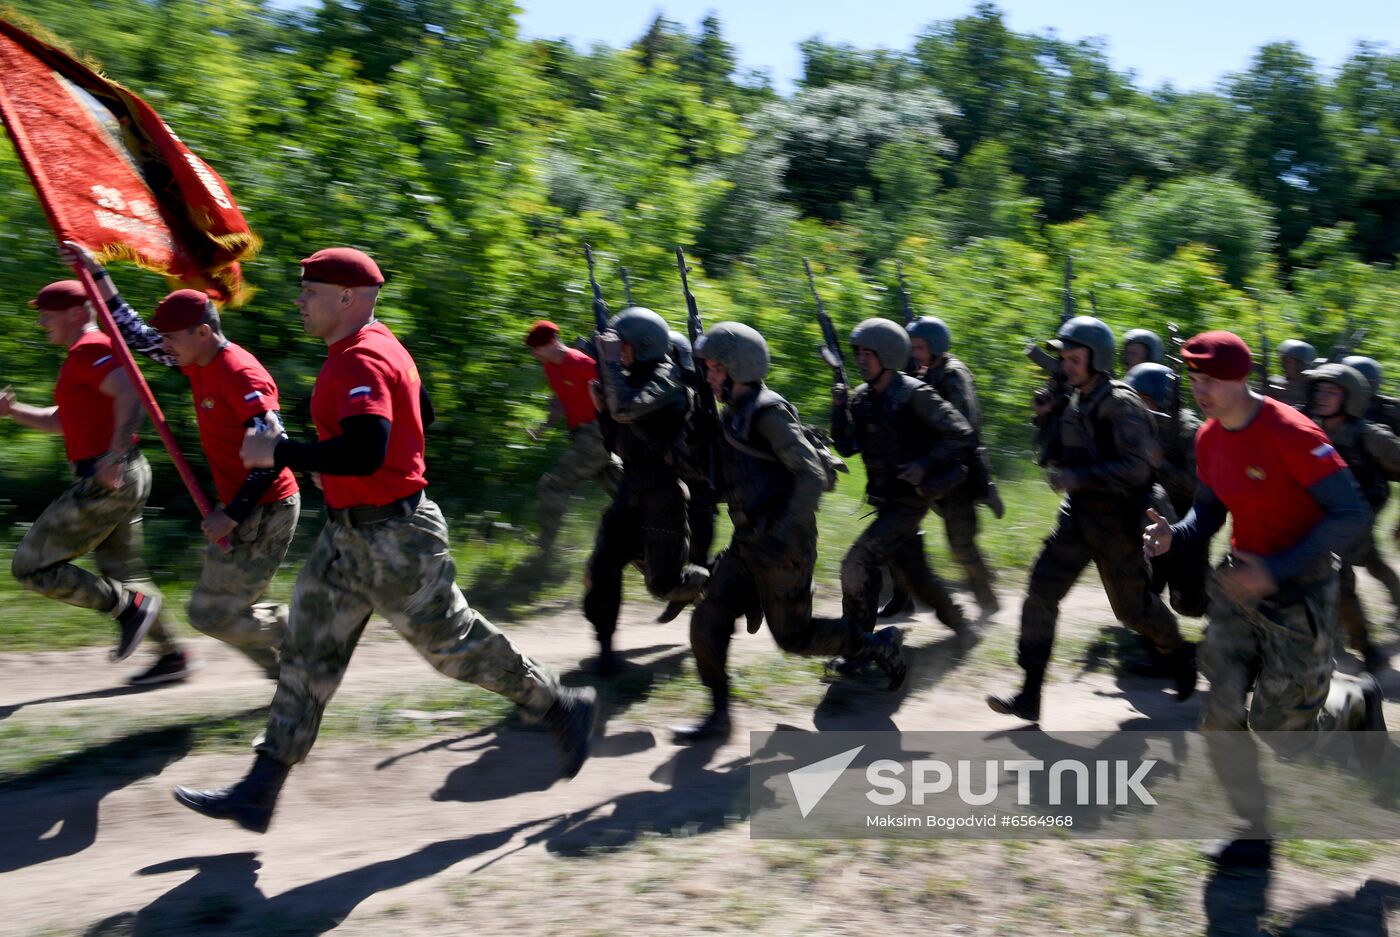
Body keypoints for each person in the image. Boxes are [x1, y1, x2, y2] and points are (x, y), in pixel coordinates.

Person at [173, 248, 596, 833]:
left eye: (311, 290)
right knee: (306, 652)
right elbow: (419, 411)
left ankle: (560, 705)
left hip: (396, 538)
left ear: (347, 298)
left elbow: (368, 446)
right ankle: (259, 789)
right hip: (348, 534)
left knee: (453, 649)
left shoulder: (360, 359)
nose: (299, 299)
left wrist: (285, 454)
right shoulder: (372, 344)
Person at [1144, 330, 1387, 868]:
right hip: (1237, 587)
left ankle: (1354, 702)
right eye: (1194, 379)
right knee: (1221, 714)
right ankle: (1253, 828)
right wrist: (1173, 536)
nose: (1200, 390)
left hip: (1301, 591)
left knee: (1285, 734)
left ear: (1241, 378)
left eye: (1210, 380)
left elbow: (1351, 514)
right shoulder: (1209, 438)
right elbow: (1208, 512)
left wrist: (1275, 570)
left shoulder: (1291, 432)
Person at [67, 243, 299, 679]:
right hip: (237, 507)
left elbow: (274, 452)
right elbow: (133, 333)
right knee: (212, 612)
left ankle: (300, 642)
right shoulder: (196, 359)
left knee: (217, 613)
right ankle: (289, 672)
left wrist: (231, 514)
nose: (165, 346)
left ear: (202, 332)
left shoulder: (240, 374)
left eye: (172, 337)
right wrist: (95, 274)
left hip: (268, 508)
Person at [672, 322, 906, 743]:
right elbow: (713, 476)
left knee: (795, 638)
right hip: (748, 542)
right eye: (706, 368)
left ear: (739, 368)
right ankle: (719, 714)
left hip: (784, 544)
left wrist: (782, 533)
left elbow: (811, 473)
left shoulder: (768, 413)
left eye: (714, 368)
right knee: (709, 617)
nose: (708, 376)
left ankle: (875, 643)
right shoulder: (733, 414)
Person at [987, 316, 1195, 722]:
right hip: (1077, 517)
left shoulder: (1121, 402)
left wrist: (1077, 477)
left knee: (1132, 612)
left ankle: (1180, 655)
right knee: (1041, 593)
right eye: (1064, 357)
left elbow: (1137, 468)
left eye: (1074, 357)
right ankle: (1029, 694)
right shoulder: (1075, 399)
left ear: (1096, 358)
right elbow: (1053, 457)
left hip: (1118, 523)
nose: (1066, 364)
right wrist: (1046, 417)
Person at [3, 278, 190, 685]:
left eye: (46, 315)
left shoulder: (91, 349)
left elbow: (131, 393)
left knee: (31, 566)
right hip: (121, 472)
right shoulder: (81, 356)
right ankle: (172, 654)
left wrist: (115, 454)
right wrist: (13, 411)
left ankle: (129, 610)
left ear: (74, 313)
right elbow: (62, 420)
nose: (41, 324)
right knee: (123, 571)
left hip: (109, 475)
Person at [831, 318, 974, 649]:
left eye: (870, 353)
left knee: (858, 563)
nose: (862, 359)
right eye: (859, 353)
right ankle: (961, 626)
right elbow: (847, 446)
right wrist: (839, 408)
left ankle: (856, 648)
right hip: (885, 500)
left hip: (910, 500)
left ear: (890, 355)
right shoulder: (862, 399)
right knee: (916, 575)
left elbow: (960, 432)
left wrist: (924, 464)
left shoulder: (915, 395)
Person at [583, 307, 709, 673]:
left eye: (622, 346)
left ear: (644, 345)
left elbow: (627, 409)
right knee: (603, 564)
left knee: (664, 585)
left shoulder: (667, 380)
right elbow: (616, 441)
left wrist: (609, 387)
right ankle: (606, 649)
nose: (617, 353)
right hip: (631, 491)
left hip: (662, 497)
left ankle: (718, 586)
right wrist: (601, 411)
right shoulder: (626, 379)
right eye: (616, 348)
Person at [884, 315, 1001, 618]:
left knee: (960, 544)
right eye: (912, 347)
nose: (914, 353)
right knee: (898, 531)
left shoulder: (953, 374)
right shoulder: (922, 372)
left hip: (955, 473)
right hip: (928, 469)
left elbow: (965, 426)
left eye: (919, 347)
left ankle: (987, 597)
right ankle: (903, 596)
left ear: (936, 347)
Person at [1303, 363, 1400, 673]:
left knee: (1343, 578)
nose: (1322, 396)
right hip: (1321, 518)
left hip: (1358, 519)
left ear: (1352, 398)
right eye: (1320, 389)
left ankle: (1365, 647)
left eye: (1332, 391)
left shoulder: (1370, 435)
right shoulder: (1307, 428)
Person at [523, 320, 621, 561]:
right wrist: (544, 428)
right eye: (533, 350)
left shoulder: (583, 364)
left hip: (597, 435)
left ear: (553, 343)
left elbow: (613, 395)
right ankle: (656, 528)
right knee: (622, 489)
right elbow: (560, 400)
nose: (535, 354)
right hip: (582, 436)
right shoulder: (551, 367)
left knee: (553, 485)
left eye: (538, 348)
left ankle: (545, 550)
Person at [1124, 362, 1209, 620]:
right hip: (1151, 523)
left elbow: (1199, 487)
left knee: (1189, 603)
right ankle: (1157, 644)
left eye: (1141, 399)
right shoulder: (1139, 425)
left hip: (1187, 526)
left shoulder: (1190, 431)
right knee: (1140, 595)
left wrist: (1161, 464)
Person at [1267, 339, 1315, 409]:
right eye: (1285, 361)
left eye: (1294, 362)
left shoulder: (1311, 388)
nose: (1288, 365)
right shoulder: (1273, 383)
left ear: (1303, 364)